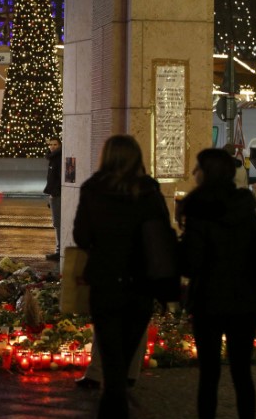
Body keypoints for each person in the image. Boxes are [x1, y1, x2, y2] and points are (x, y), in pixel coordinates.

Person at [73, 134, 169, 419]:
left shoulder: (93, 188)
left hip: (105, 282)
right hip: (140, 285)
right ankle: (117, 405)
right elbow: (162, 233)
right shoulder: (149, 190)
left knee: (111, 357)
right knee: (125, 357)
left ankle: (112, 408)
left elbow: (81, 235)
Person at [179, 148, 256, 419]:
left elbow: (191, 263)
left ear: (208, 172)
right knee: (242, 372)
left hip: (208, 300)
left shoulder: (198, 209)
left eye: (197, 168)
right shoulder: (244, 206)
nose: (193, 173)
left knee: (209, 374)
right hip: (244, 299)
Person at [43, 136, 62, 261]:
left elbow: (59, 179)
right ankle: (59, 250)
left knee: (58, 223)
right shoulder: (53, 158)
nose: (52, 146)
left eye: (55, 144)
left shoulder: (58, 159)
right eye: (51, 144)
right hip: (54, 194)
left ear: (60, 145)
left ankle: (59, 251)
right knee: (56, 223)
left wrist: (54, 193)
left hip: (57, 195)